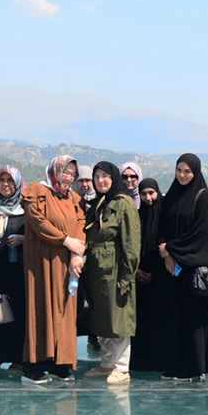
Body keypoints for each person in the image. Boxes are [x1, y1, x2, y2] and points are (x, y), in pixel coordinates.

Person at [21, 155, 86, 384]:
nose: (68, 178)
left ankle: (60, 363)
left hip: (67, 263)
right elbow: (38, 222)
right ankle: (34, 366)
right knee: (41, 306)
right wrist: (65, 240)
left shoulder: (73, 198)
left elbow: (80, 224)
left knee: (65, 310)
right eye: (65, 173)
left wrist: (77, 254)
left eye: (72, 174)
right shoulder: (37, 191)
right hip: (42, 262)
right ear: (55, 171)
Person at [156, 153, 208, 381]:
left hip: (193, 269)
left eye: (187, 171)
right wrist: (164, 251)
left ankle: (194, 367)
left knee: (195, 320)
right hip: (172, 271)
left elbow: (200, 234)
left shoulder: (203, 198)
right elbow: (161, 225)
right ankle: (174, 364)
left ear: (195, 172)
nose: (182, 175)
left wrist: (171, 250)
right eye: (179, 170)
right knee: (174, 318)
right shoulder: (171, 196)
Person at [82, 162, 140, 385]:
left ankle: (122, 367)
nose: (100, 180)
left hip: (116, 269)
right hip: (97, 271)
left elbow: (131, 243)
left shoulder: (123, 204)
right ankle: (106, 364)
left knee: (119, 319)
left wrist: (127, 276)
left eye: (105, 176)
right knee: (103, 318)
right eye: (96, 176)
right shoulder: (98, 204)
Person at [0, 166, 27, 369]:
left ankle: (18, 357)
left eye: (10, 180)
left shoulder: (25, 209)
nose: (5, 184)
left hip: (17, 270)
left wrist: (22, 239)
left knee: (18, 312)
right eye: (2, 180)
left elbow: (35, 236)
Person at [130, 178, 165, 372]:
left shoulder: (165, 215)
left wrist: (156, 273)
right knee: (140, 321)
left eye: (151, 193)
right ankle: (140, 361)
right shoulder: (137, 216)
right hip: (140, 276)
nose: (148, 198)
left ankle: (159, 360)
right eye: (143, 194)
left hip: (160, 278)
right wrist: (137, 271)